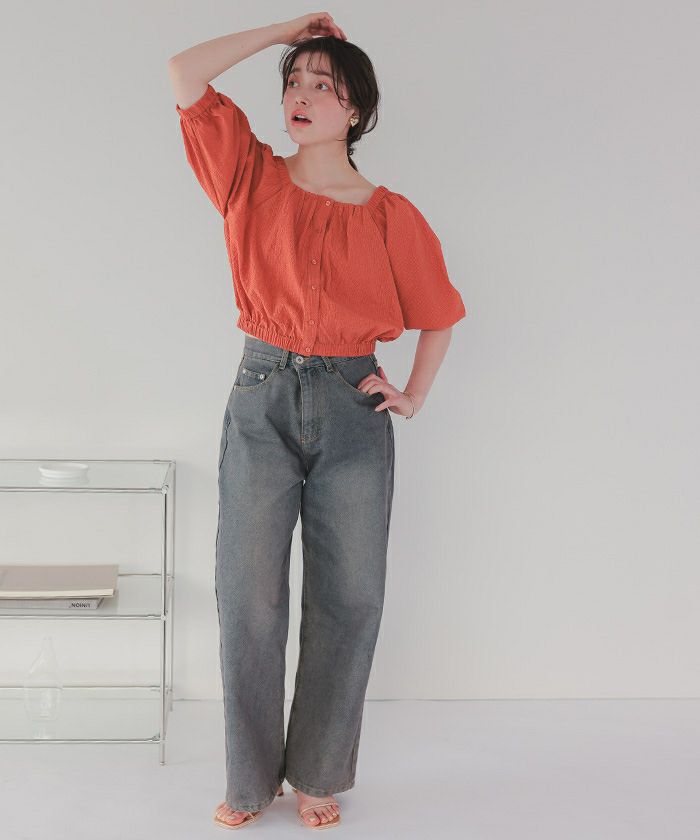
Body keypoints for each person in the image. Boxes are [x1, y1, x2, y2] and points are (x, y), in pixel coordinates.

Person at [168, 11, 466, 831]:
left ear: (355, 110)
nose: (300, 95)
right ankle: (249, 781)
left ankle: (317, 773)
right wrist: (282, 34)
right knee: (249, 595)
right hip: (261, 393)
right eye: (293, 82)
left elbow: (439, 314)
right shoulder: (249, 177)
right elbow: (185, 74)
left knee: (350, 597)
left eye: (322, 85)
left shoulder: (391, 215)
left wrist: (413, 395)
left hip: (352, 406)